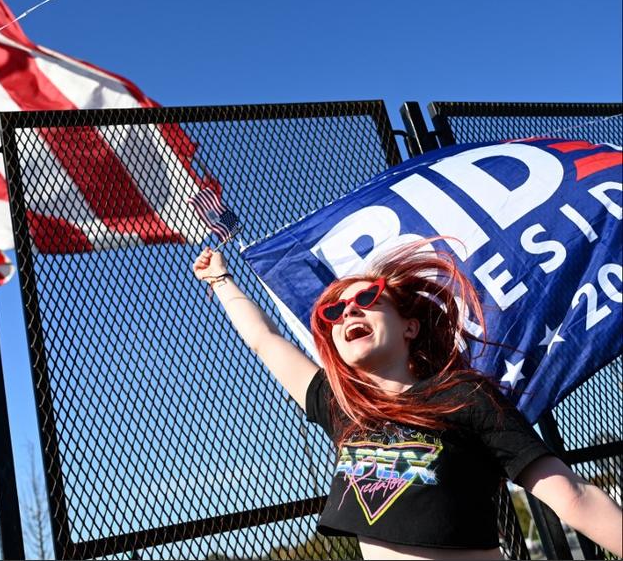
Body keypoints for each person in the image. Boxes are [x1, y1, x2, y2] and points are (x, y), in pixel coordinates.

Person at [193, 239, 623, 560]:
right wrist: (220, 280)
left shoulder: (464, 396)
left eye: (366, 299)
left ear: (410, 327)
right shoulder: (340, 403)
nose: (349, 313)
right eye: (334, 312)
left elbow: (573, 495)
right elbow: (264, 341)